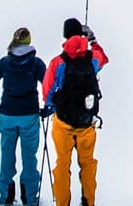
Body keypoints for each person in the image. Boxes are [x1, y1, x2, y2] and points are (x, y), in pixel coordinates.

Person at [41, 17, 109, 206]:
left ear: (64, 35)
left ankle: (63, 203)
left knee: (62, 164)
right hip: (87, 122)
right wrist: (92, 39)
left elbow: (47, 93)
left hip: (63, 122)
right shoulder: (91, 59)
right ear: (81, 34)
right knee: (87, 163)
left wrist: (55, 106)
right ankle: (88, 201)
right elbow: (103, 58)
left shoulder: (58, 62)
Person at [0, 26, 48, 205]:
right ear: (29, 42)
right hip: (29, 115)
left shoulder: (4, 62)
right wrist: (48, 109)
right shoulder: (36, 63)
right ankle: (29, 198)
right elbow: (50, 86)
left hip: (8, 115)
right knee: (29, 156)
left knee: (7, 156)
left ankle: (6, 197)